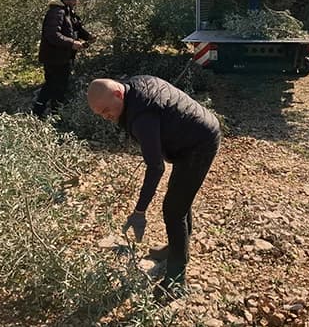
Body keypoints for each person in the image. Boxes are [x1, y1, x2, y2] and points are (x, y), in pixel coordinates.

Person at [87, 75, 221, 300]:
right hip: (189, 137)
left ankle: (176, 281)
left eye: (107, 110)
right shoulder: (134, 87)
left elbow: (155, 167)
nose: (107, 117)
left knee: (174, 209)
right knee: (179, 199)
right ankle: (177, 249)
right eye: (100, 114)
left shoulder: (142, 116)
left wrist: (139, 211)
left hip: (200, 143)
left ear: (118, 94)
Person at [32, 0, 94, 118]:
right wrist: (72, 43)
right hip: (55, 58)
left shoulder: (67, 12)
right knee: (54, 85)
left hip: (62, 57)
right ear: (70, 0)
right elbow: (52, 35)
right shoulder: (57, 12)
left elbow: (77, 27)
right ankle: (46, 114)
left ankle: (48, 113)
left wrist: (88, 36)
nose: (76, 3)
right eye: (75, 0)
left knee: (56, 85)